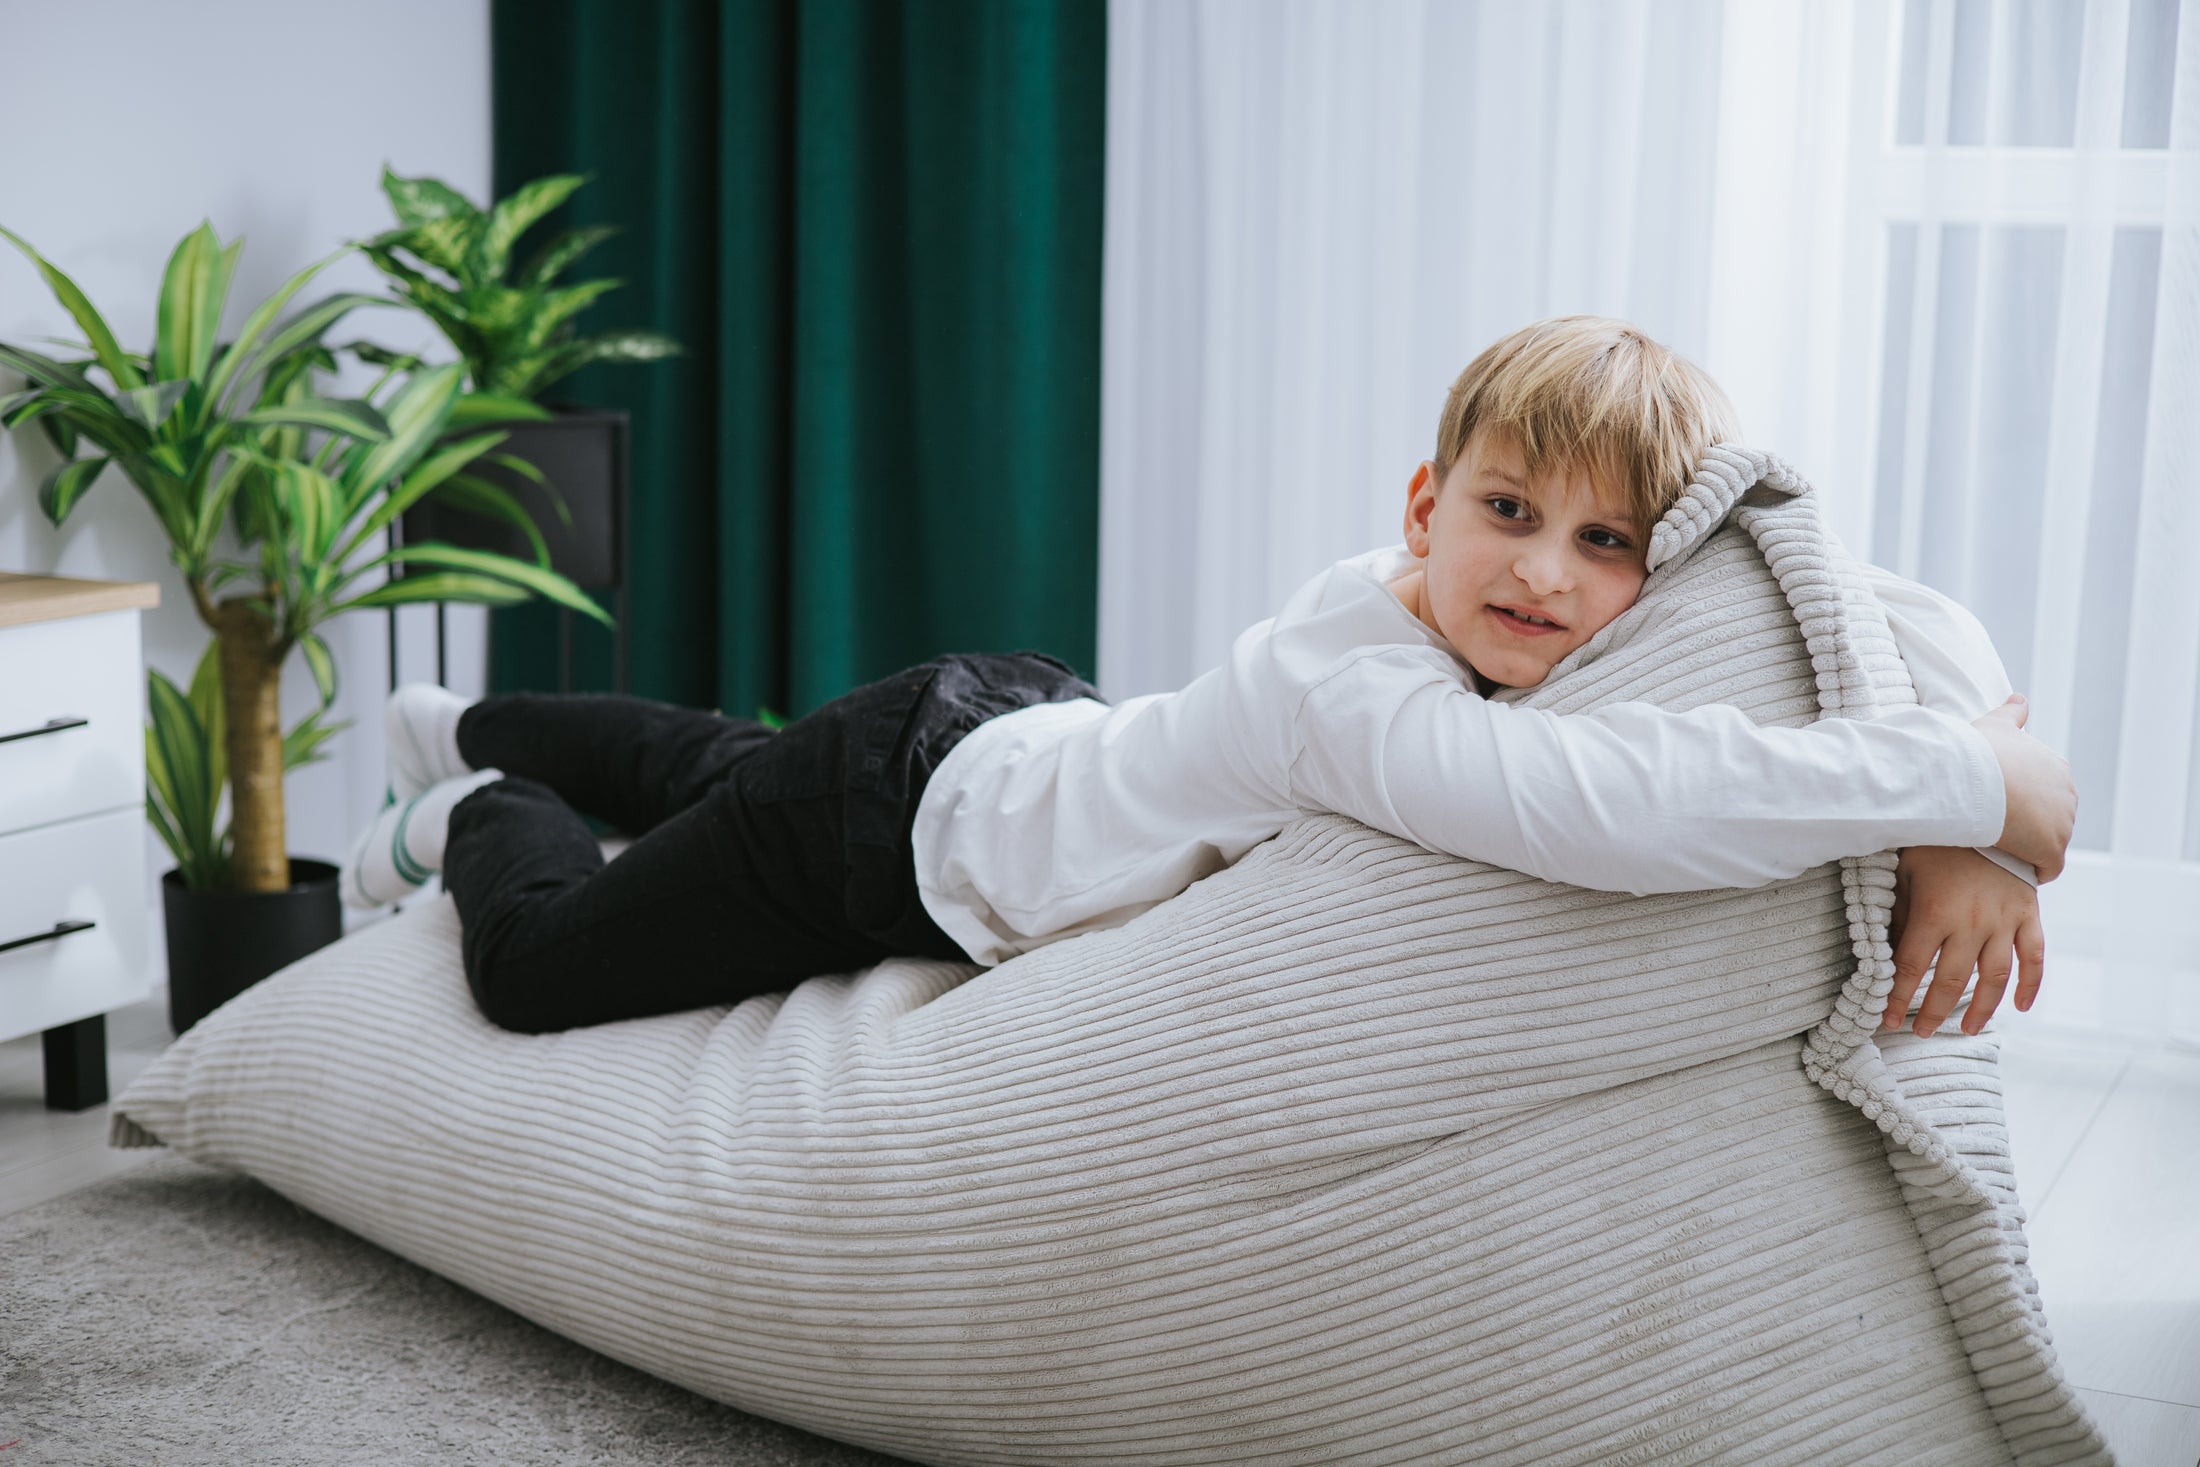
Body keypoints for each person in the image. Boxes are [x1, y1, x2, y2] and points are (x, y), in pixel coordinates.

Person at [341, 316, 2074, 1046]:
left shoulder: (1439, 637)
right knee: (552, 967)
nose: (1548, 571)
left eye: (1612, 545)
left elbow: (1868, 592)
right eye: (1510, 512)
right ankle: (477, 796)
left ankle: (472, 712)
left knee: (726, 758)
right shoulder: (1366, 692)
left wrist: (1965, 784)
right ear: (1426, 506)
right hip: (892, 835)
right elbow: (1601, 812)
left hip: (1004, 727)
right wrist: (1967, 786)